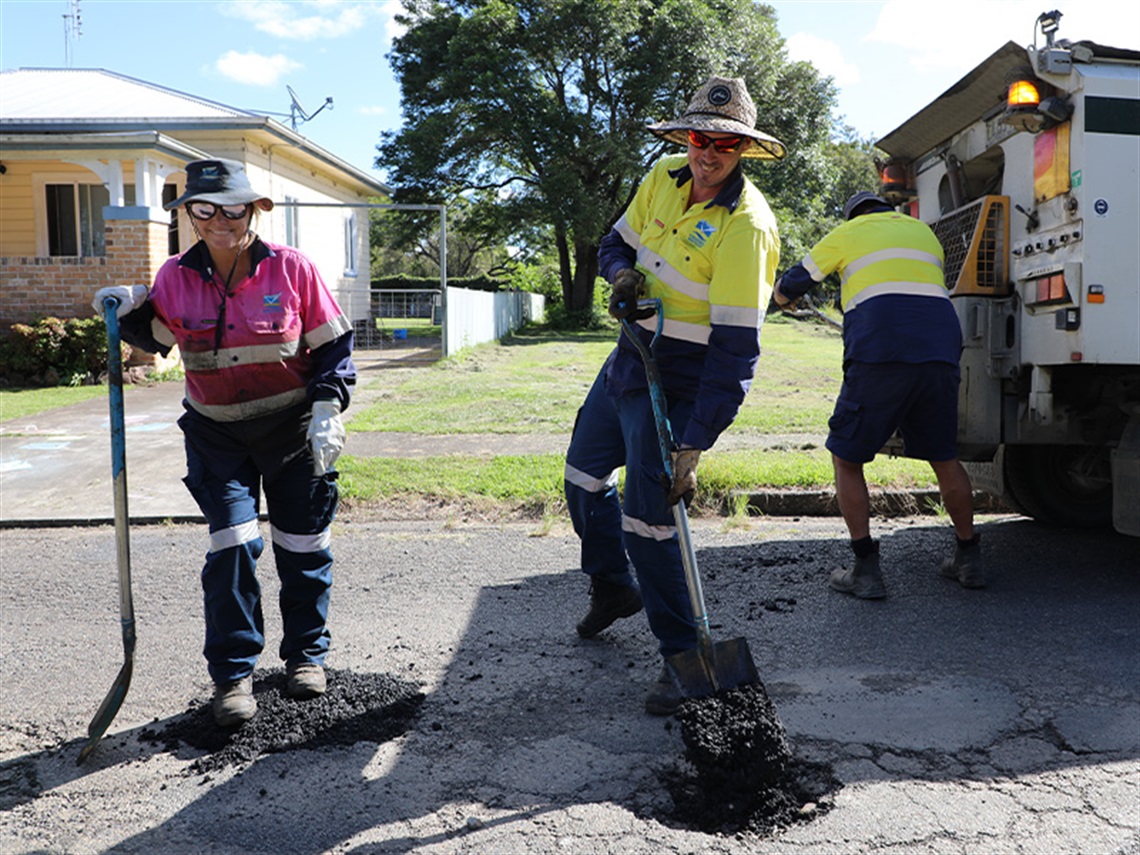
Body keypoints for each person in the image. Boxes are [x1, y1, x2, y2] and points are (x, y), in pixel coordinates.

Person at [92, 158, 355, 727]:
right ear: (188, 214)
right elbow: (160, 338)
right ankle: (234, 676)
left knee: (302, 545)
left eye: (232, 208)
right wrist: (129, 306)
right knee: (232, 547)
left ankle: (307, 656)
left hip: (290, 431)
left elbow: (334, 349)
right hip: (217, 436)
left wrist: (328, 406)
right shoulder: (174, 277)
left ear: (254, 209)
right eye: (204, 209)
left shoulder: (292, 270)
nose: (219, 221)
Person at [564, 76, 784, 715]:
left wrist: (696, 439)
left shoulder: (747, 227)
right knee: (581, 477)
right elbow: (613, 245)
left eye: (724, 143)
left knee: (650, 520)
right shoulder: (661, 177)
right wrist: (621, 274)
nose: (708, 152)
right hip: (631, 358)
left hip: (683, 380)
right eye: (699, 138)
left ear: (741, 150)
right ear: (685, 136)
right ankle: (612, 587)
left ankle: (681, 652)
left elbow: (737, 348)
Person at [773, 190, 983, 598]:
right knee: (944, 458)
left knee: (847, 458)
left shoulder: (848, 232)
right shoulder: (923, 233)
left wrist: (782, 298)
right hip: (940, 351)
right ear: (890, 212)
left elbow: (792, 283)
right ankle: (969, 557)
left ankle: (866, 570)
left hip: (881, 353)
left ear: (855, 215)